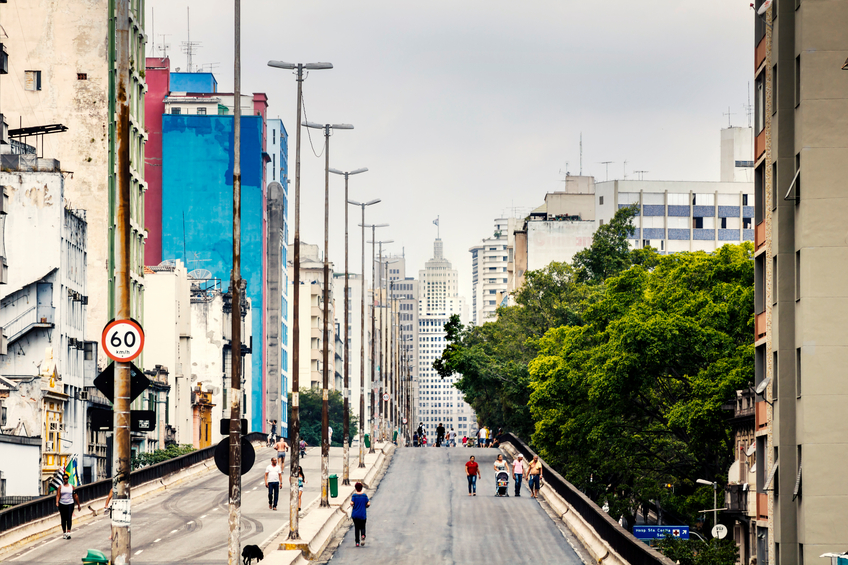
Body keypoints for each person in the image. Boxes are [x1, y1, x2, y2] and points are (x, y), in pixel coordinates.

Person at [55, 474, 81, 539]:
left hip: (70, 503)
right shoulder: (60, 487)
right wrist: (57, 502)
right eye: (64, 479)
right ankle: (64, 532)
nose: (65, 480)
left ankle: (68, 532)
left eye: (66, 479)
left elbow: (75, 496)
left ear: (68, 479)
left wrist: (78, 505)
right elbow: (58, 495)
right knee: (63, 518)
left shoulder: (71, 487)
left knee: (69, 517)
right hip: (62, 504)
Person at [350, 482, 370, 547]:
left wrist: (353, 504)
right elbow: (368, 503)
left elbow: (351, 503)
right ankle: (363, 535)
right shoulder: (364, 496)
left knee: (357, 528)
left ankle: (357, 542)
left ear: (356, 488)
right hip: (362, 514)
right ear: (361, 488)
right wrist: (365, 506)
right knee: (363, 526)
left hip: (355, 515)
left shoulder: (354, 496)